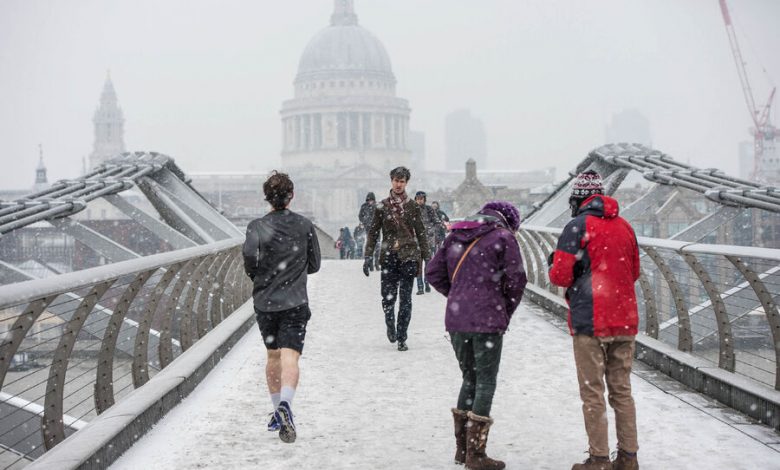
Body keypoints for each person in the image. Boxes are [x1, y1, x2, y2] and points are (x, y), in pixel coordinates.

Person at [548, 170, 640, 470]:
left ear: (577, 199)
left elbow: (560, 275)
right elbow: (634, 271)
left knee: (593, 392)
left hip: (591, 321)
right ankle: (628, 457)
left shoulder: (576, 227)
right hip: (625, 320)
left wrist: (559, 264)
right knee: (622, 390)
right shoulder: (626, 226)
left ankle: (599, 459)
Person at [426, 201, 527, 470]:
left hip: (457, 320)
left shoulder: (456, 234)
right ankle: (476, 454)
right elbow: (517, 280)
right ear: (508, 221)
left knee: (469, 378)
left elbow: (432, 272)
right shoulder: (504, 238)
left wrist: (458, 295)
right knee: (485, 381)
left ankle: (461, 450)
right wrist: (504, 308)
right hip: (487, 320)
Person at [242, 171, 321, 444]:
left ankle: (278, 408)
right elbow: (315, 265)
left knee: (273, 357)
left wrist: (263, 278)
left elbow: (250, 262)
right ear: (292, 196)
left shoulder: (256, 227)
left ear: (267, 198)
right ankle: (287, 404)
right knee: (291, 357)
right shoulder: (304, 225)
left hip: (266, 303)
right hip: (295, 302)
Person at [363, 166, 430, 351]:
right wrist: (368, 255)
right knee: (387, 298)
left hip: (409, 256)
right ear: (391, 181)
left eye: (402, 181)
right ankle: (390, 322)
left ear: (406, 183)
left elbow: (421, 233)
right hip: (389, 257)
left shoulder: (413, 207)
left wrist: (427, 257)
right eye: (396, 180)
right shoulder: (382, 206)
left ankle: (402, 336)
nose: (398, 184)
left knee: (406, 299)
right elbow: (374, 233)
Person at [414, 190, 440, 295]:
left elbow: (437, 222)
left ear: (424, 199)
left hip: (428, 242)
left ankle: (427, 284)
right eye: (418, 198)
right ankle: (420, 287)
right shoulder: (412, 210)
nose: (420, 200)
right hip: (416, 242)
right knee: (418, 266)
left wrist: (430, 230)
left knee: (428, 265)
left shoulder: (429, 209)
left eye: (421, 198)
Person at [359, 192, 380, 270]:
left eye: (371, 200)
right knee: (370, 247)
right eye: (369, 200)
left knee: (377, 247)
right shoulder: (364, 207)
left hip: (377, 229)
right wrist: (365, 222)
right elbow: (360, 216)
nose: (370, 201)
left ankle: (376, 263)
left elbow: (382, 216)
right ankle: (370, 264)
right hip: (369, 229)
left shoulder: (378, 206)